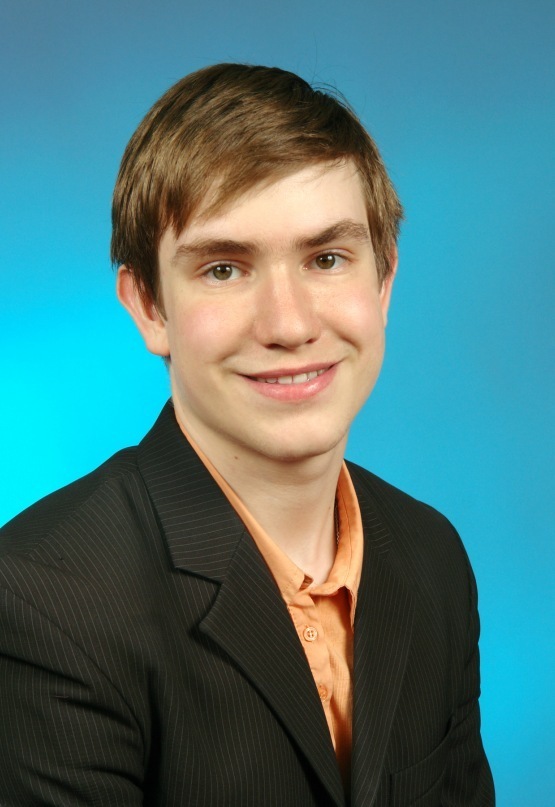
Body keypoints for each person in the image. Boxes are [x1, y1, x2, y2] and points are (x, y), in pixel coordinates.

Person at [0, 63, 494, 806]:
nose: (289, 324)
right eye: (225, 269)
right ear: (149, 307)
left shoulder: (433, 558)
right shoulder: (41, 602)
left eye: (326, 259)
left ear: (384, 281)